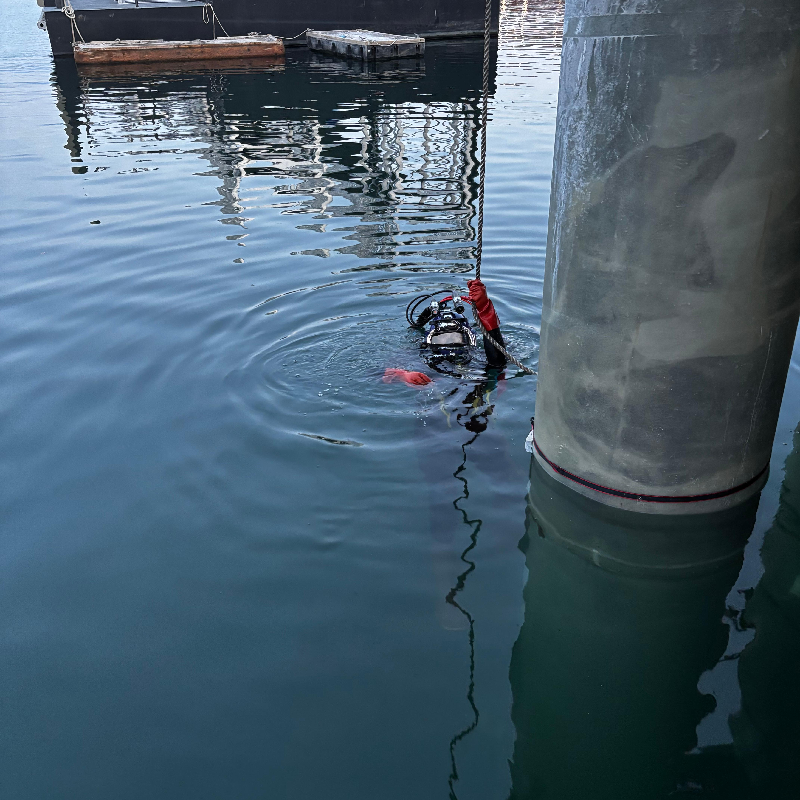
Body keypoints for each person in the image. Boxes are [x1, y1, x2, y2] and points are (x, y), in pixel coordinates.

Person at [383, 279, 506, 386]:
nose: (449, 344)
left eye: (456, 338)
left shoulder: (477, 355)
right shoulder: (418, 354)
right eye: (441, 338)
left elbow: (497, 364)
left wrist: (486, 311)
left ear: (469, 338)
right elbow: (378, 373)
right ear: (428, 340)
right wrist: (403, 375)